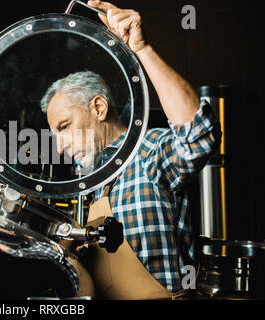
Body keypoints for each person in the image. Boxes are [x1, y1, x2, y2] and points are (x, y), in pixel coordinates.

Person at [40, 0, 221, 293]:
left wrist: (143, 50)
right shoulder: (91, 181)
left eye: (64, 127)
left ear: (98, 108)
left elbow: (199, 135)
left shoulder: (147, 152)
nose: (59, 147)